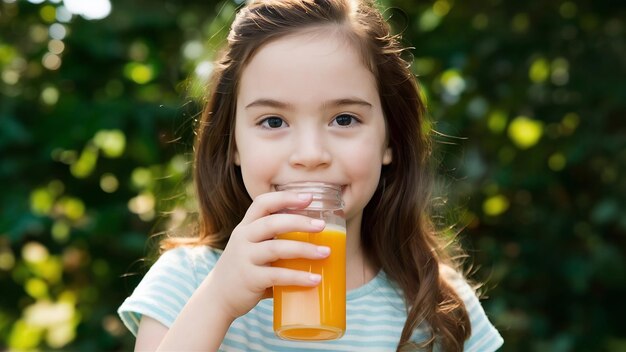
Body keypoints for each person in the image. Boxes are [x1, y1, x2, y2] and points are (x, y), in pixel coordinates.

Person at [118, 0, 504, 350]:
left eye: (344, 119)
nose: (310, 155)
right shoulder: (189, 282)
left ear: (391, 139)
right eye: (273, 121)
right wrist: (218, 301)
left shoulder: (439, 304)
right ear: (232, 143)